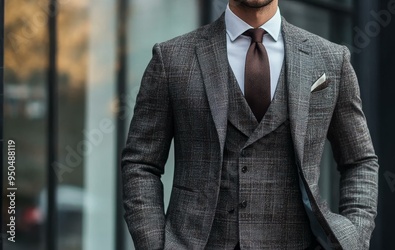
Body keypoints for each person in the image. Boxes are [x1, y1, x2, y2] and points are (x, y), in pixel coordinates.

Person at [121, 0, 379, 249]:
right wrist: (155, 245)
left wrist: (353, 237)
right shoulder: (172, 59)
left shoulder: (331, 59)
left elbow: (359, 161)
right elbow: (141, 163)